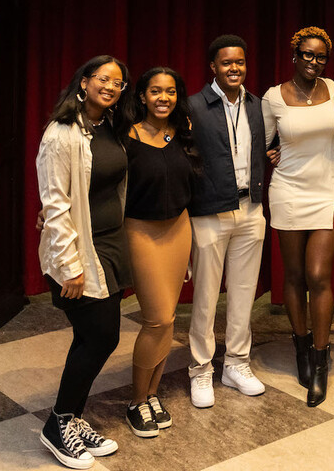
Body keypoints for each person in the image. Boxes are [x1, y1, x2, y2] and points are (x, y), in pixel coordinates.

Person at [36, 55, 134, 470]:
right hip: (80, 252)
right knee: (99, 336)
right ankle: (57, 424)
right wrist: (69, 264)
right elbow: (55, 205)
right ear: (84, 81)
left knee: (95, 337)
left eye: (118, 82)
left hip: (110, 245)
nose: (111, 87)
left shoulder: (109, 126)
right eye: (103, 79)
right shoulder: (61, 134)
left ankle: (72, 417)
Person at [262, 26, 334, 407]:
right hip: (288, 191)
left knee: (318, 275)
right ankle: (300, 347)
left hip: (326, 188)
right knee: (294, 276)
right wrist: (270, 154)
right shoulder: (273, 97)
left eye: (321, 56)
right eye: (307, 55)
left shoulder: (332, 89)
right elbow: (264, 144)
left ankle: (321, 360)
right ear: (294, 56)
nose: (314, 62)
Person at [184, 35, 269, 409]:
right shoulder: (193, 107)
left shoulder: (258, 106)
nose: (234, 68)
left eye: (240, 62)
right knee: (204, 296)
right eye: (226, 63)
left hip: (251, 211)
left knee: (243, 292)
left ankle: (236, 364)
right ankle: (200, 368)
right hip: (209, 213)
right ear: (213, 68)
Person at [121, 67, 197, 439]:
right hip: (141, 232)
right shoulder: (127, 137)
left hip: (179, 229)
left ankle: (152, 394)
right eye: (155, 91)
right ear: (141, 96)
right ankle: (136, 401)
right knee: (157, 319)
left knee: (169, 317)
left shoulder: (181, 132)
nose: (163, 98)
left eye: (169, 91)